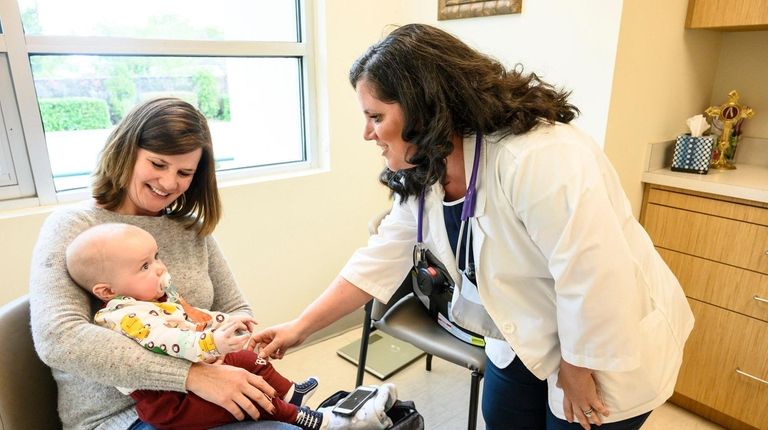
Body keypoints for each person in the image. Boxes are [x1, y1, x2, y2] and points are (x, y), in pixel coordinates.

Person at [250, 24, 695, 430]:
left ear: (422, 109)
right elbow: (378, 260)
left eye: (376, 116)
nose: (367, 133)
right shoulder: (427, 169)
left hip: (601, 340)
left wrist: (578, 369)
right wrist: (299, 327)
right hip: (521, 333)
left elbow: (594, 274)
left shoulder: (539, 157)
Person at [29, 97, 300, 430]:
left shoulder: (190, 230)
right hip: (121, 417)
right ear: (127, 151)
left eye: (184, 172)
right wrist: (191, 375)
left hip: (209, 392)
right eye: (158, 164)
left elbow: (235, 308)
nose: (169, 183)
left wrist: (223, 345)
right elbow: (60, 339)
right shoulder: (74, 227)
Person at [64, 222, 332, 430]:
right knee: (249, 400)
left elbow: (194, 316)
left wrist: (227, 321)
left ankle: (290, 393)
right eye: (145, 266)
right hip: (168, 402)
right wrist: (211, 344)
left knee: (246, 359)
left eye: (156, 257)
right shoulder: (125, 316)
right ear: (107, 290)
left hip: (192, 374)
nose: (160, 269)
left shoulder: (155, 300)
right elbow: (165, 339)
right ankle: (295, 414)